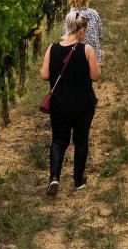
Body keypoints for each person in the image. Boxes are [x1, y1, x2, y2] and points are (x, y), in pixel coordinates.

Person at [41, 12, 100, 196]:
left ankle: (54, 177)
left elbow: (44, 75)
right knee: (81, 140)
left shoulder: (52, 48)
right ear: (81, 29)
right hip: (83, 104)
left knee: (58, 140)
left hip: (59, 105)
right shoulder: (86, 50)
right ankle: (78, 180)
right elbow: (95, 77)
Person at [65, 0, 103, 64]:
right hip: (94, 59)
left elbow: (66, 39)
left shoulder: (70, 17)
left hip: (77, 60)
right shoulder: (94, 14)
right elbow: (99, 36)